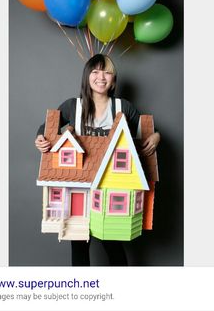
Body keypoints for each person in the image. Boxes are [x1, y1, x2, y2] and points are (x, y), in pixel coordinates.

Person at [35, 54, 160, 266]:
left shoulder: (123, 107)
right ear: (87, 76)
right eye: (95, 71)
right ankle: (83, 292)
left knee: (112, 242)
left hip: (109, 185)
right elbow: (47, 128)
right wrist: (40, 137)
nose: (101, 77)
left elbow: (147, 130)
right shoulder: (72, 106)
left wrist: (157, 136)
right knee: (79, 243)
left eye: (107, 72)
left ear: (113, 79)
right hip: (80, 184)